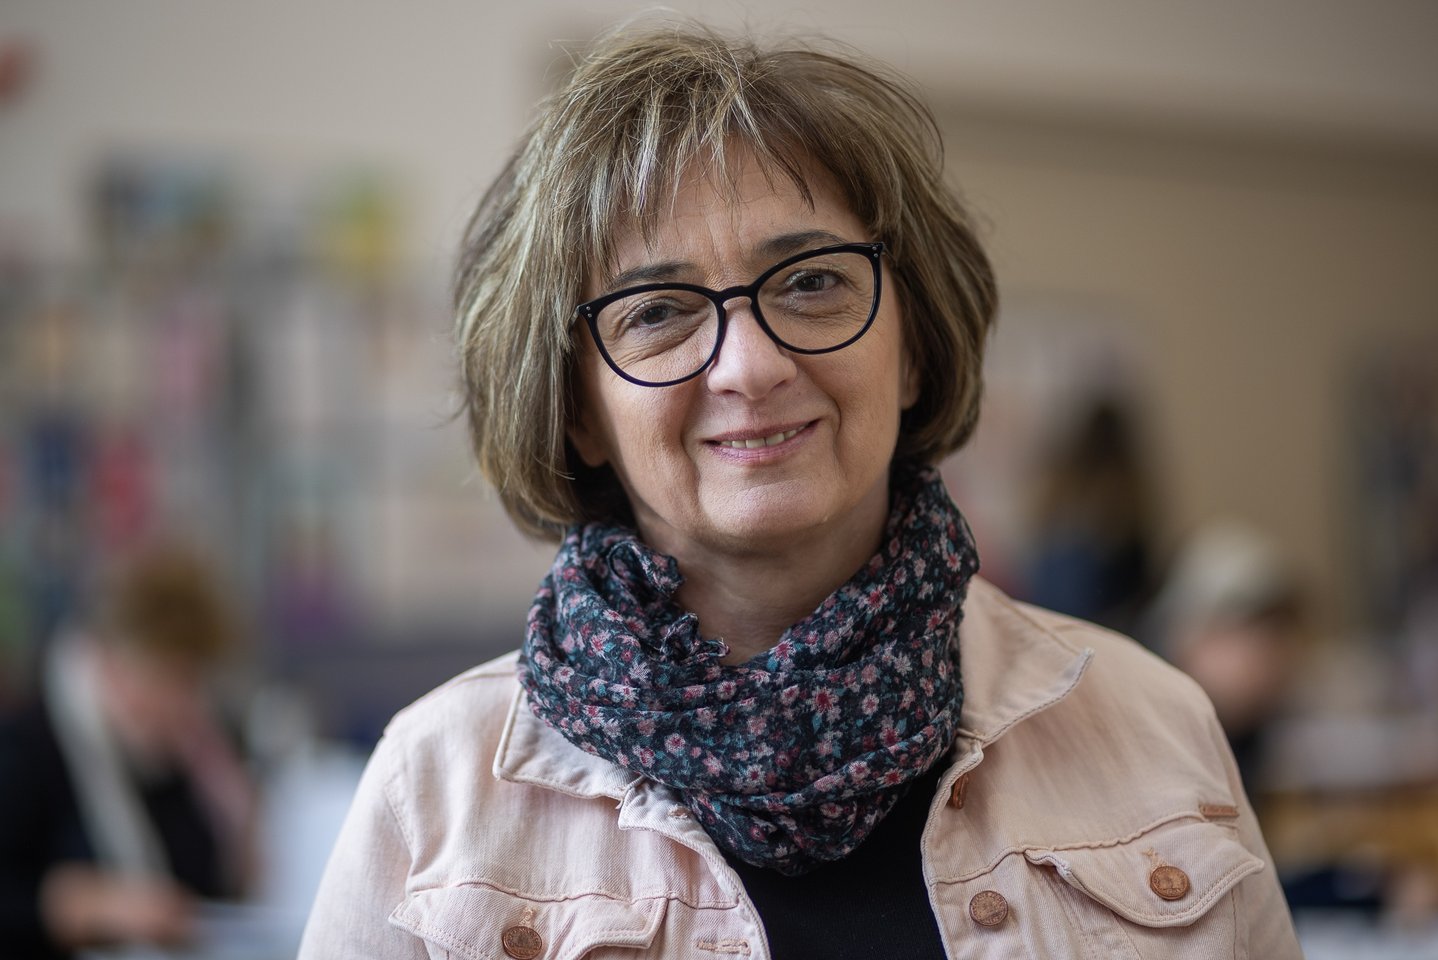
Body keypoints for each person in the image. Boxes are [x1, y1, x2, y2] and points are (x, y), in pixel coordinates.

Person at [300, 23, 1301, 959]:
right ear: (578, 411)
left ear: (913, 347)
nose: (750, 364)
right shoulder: (435, 792)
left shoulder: (1149, 723)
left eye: (813, 282)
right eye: (657, 310)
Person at [0, 544, 255, 958]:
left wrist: (233, 820)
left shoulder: (177, 761)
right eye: (169, 678)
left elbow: (202, 893)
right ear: (113, 661)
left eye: (192, 682)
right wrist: (82, 907)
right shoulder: (28, 748)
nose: (182, 702)